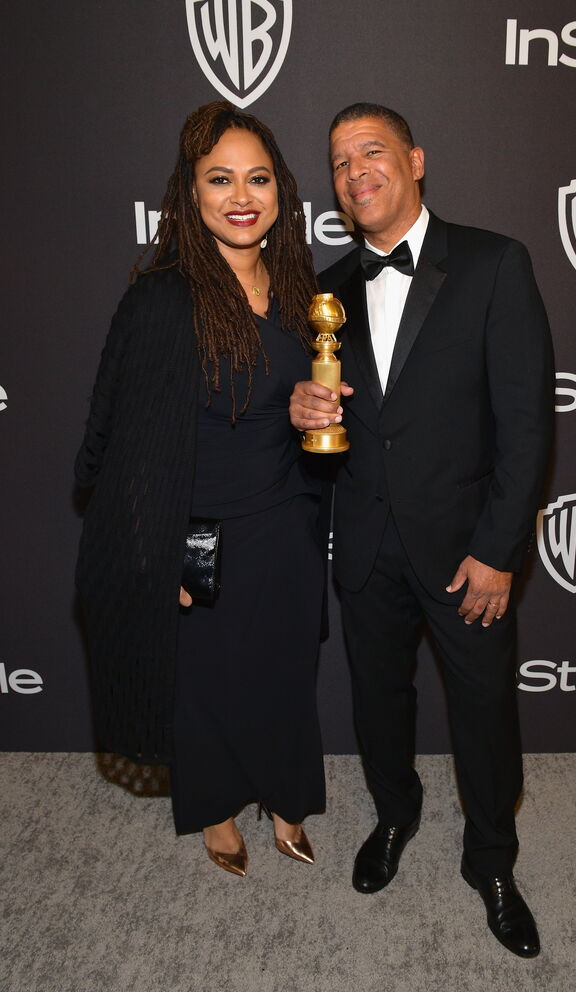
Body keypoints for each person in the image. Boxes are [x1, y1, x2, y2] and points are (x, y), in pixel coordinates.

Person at [289, 103, 554, 956]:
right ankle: (395, 819)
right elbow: (322, 422)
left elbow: (527, 427)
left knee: (482, 710)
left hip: (465, 548)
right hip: (364, 543)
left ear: (415, 160)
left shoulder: (493, 263)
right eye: (338, 162)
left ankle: (492, 859)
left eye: (371, 152)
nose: (355, 171)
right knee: (378, 703)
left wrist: (498, 550)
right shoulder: (324, 289)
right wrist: (303, 409)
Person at [75, 101, 327, 877]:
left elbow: (276, 401)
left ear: (281, 191)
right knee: (206, 684)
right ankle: (215, 810)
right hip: (201, 530)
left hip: (284, 522)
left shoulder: (297, 290)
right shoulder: (162, 299)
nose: (241, 195)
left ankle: (289, 794)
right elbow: (111, 445)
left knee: (285, 672)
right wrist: (160, 547)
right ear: (189, 194)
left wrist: (297, 410)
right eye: (220, 179)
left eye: (257, 178)